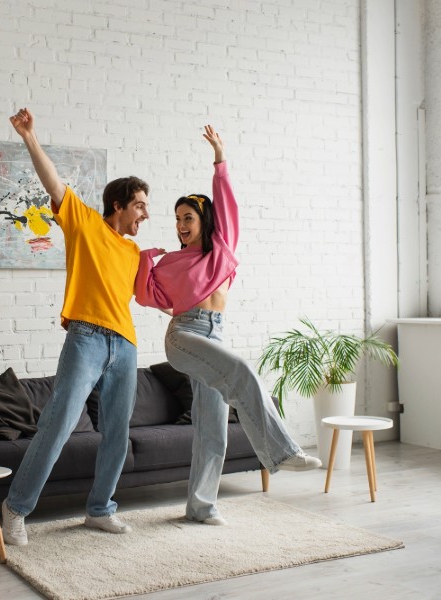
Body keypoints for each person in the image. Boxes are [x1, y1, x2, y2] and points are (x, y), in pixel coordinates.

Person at [134, 125, 321, 526]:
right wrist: (146, 260)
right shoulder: (170, 262)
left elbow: (228, 204)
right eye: (177, 219)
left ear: (203, 220)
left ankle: (201, 507)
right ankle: (282, 452)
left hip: (214, 332)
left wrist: (220, 159)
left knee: (212, 427)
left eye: (188, 217)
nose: (181, 225)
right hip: (184, 335)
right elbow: (148, 296)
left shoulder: (220, 252)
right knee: (242, 370)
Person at [1, 107, 150, 546]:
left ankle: (100, 509)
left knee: (118, 431)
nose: (145, 214)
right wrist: (30, 138)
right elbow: (53, 183)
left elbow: (156, 295)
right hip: (85, 337)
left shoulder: (134, 253)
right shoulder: (84, 223)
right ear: (118, 205)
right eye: (140, 206)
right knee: (59, 423)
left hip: (125, 344)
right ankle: (15, 510)